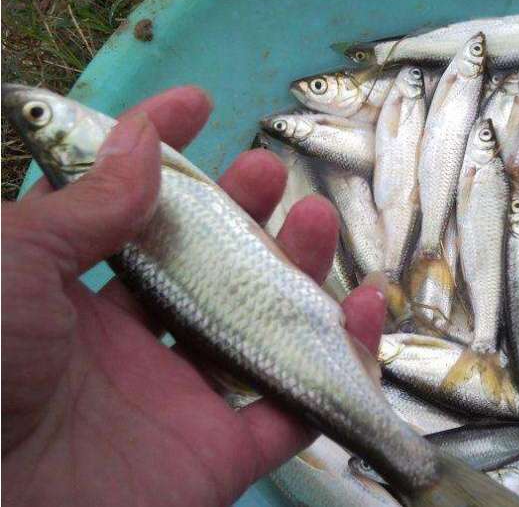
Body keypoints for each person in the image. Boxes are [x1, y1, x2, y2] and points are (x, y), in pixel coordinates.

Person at [2, 87, 386, 506]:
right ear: (67, 151)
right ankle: (415, 469)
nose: (41, 102)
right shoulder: (105, 178)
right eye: (39, 114)